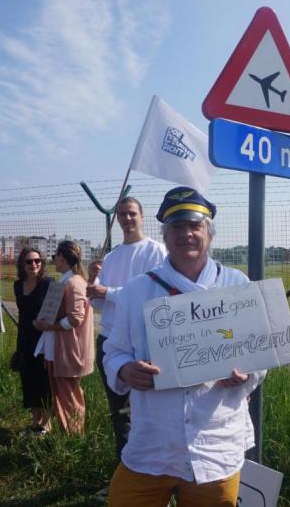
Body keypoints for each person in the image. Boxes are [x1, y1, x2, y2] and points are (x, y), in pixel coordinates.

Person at [103, 186, 265, 507]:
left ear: (209, 233)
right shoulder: (137, 290)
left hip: (215, 443)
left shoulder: (237, 285)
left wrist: (245, 374)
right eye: (177, 227)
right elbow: (114, 350)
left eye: (195, 225)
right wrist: (125, 369)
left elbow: (258, 357)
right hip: (153, 442)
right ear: (165, 235)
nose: (186, 234)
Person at [86, 196, 166, 458]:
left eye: (132, 213)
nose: (127, 219)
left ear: (142, 216)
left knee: (150, 414)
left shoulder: (156, 252)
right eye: (122, 214)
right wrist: (93, 286)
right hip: (112, 342)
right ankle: (125, 472)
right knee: (120, 414)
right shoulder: (110, 257)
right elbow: (99, 306)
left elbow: (152, 298)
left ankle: (153, 474)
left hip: (144, 344)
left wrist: (106, 292)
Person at [33, 240, 94, 435]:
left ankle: (73, 438)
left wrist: (48, 325)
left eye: (54, 257)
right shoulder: (69, 281)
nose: (53, 262)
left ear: (61, 258)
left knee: (68, 397)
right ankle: (69, 436)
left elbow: (75, 319)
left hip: (68, 351)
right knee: (63, 395)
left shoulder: (74, 283)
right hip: (60, 350)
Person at [13, 247, 53, 434]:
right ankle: (36, 422)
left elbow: (54, 313)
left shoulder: (48, 284)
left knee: (43, 381)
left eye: (37, 261)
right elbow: (22, 315)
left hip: (44, 339)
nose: (33, 264)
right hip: (24, 338)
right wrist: (19, 343)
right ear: (22, 264)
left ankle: (46, 425)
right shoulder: (17, 285)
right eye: (29, 261)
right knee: (28, 380)